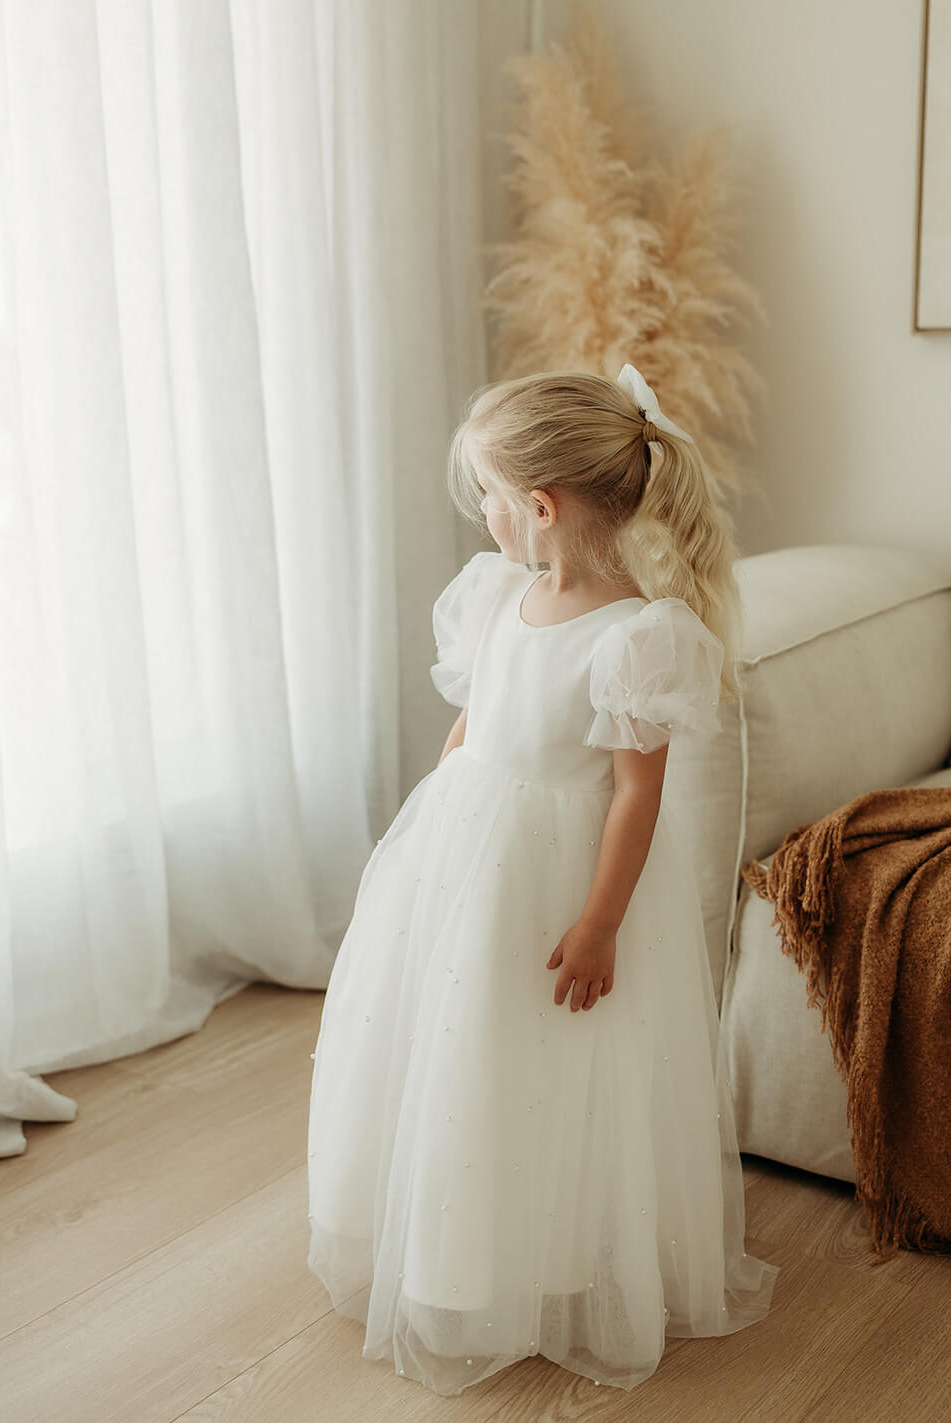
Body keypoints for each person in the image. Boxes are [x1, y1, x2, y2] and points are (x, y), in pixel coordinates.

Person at [306, 364, 779, 1396]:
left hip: (555, 873)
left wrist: (601, 918)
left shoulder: (635, 639)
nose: (480, 511)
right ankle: (450, 1246)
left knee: (538, 1052)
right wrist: (431, 826)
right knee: (452, 1043)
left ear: (539, 506)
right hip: (467, 851)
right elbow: (476, 718)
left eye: (487, 494)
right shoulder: (499, 598)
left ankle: (546, 1260)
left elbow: (631, 798)